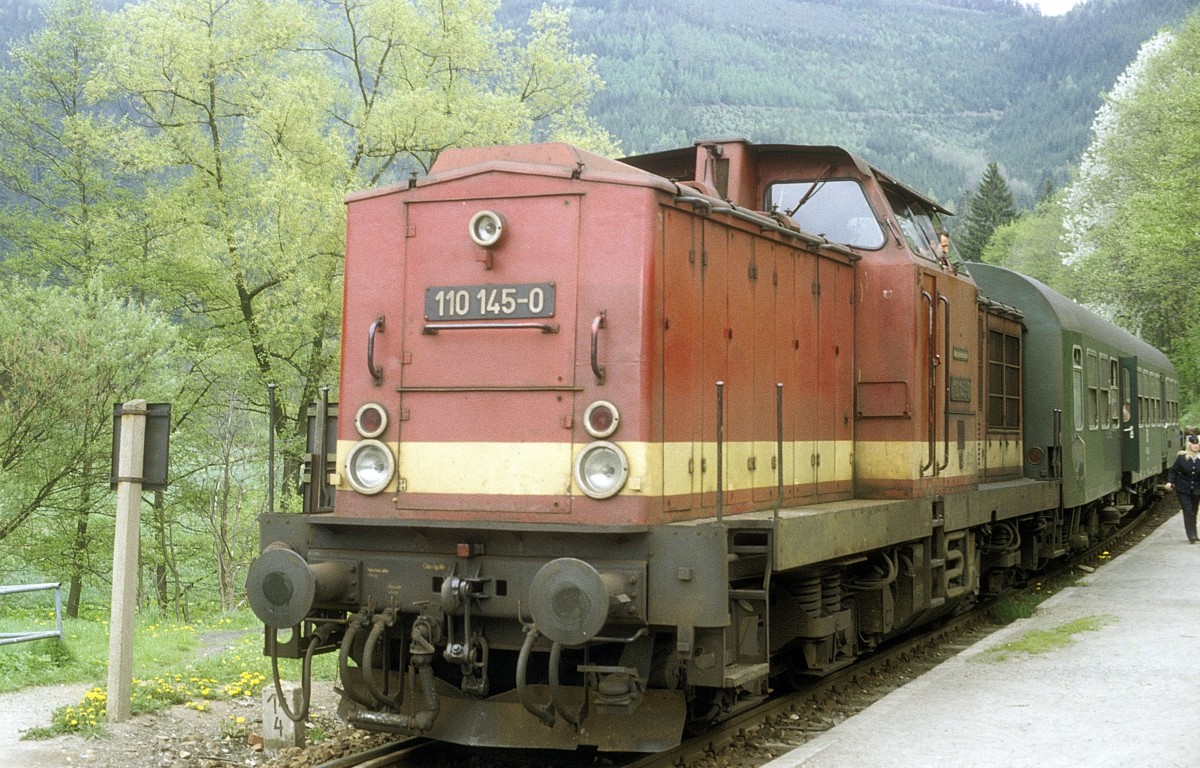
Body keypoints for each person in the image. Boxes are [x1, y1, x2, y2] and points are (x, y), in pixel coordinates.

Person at [1164, 434, 1200, 543]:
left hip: (1197, 489)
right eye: (1192, 444)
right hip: (1183, 489)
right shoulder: (1182, 457)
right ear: (1188, 445)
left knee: (1194, 511)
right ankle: (1191, 536)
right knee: (1188, 510)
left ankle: (1194, 533)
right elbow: (1173, 471)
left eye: (1196, 444)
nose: (1194, 446)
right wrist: (1170, 482)